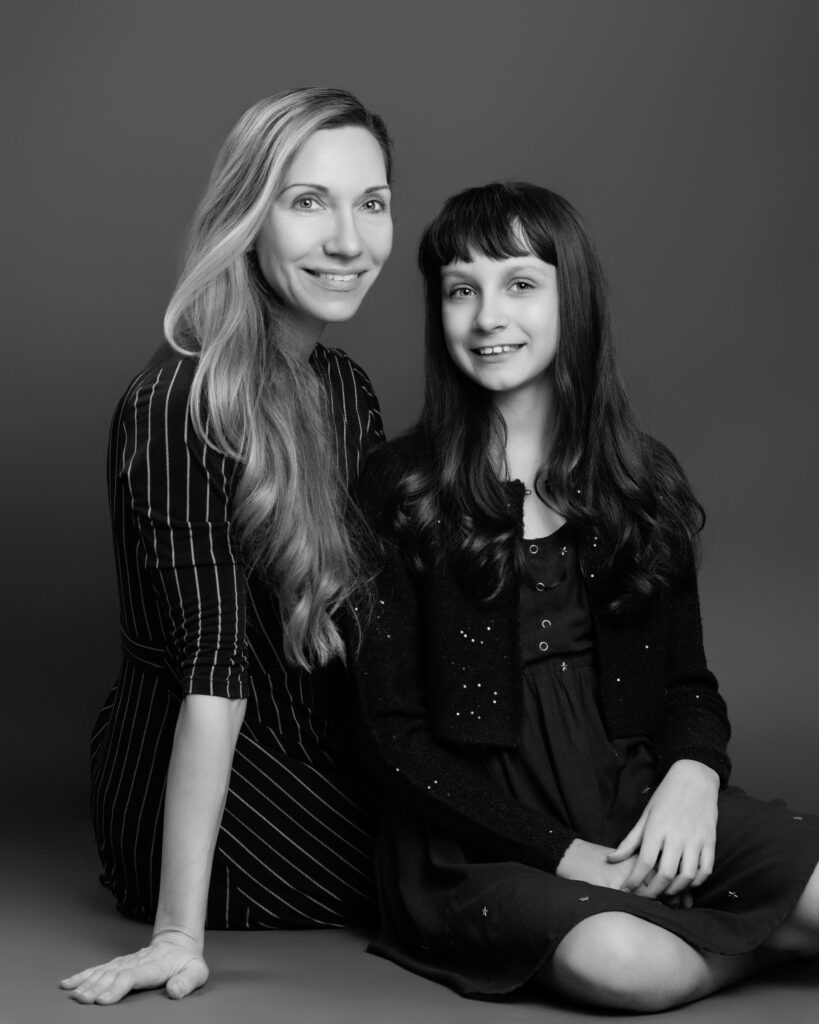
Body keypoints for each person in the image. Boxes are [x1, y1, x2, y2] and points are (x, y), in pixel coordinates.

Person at [352, 182, 819, 1012]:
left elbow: (688, 686)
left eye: (521, 284)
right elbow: (388, 739)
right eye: (462, 289)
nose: (488, 315)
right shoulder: (400, 485)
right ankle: (752, 939)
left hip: (631, 794)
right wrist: (559, 851)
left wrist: (692, 776)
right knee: (628, 967)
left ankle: (729, 914)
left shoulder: (640, 479)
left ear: (575, 300)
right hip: (478, 839)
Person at [60, 87, 394, 1005]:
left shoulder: (344, 387)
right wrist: (178, 931)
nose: (348, 240)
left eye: (371, 203)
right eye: (307, 201)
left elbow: (362, 622)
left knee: (510, 831)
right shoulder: (179, 403)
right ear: (247, 218)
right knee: (453, 880)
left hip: (316, 750)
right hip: (204, 791)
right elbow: (212, 670)